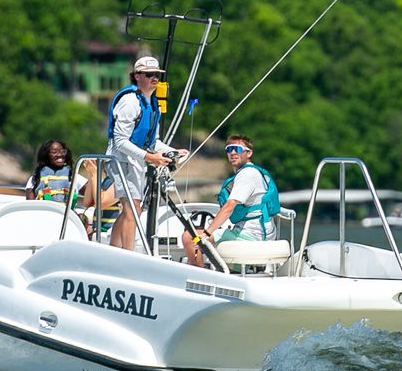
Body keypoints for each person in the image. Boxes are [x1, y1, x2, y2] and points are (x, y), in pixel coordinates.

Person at [105, 55, 186, 252]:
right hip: (121, 161)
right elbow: (120, 141)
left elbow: (153, 141)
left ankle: (113, 250)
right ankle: (127, 255)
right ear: (137, 76)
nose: (154, 78)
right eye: (149, 75)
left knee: (131, 211)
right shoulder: (130, 102)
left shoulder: (152, 103)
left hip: (136, 161)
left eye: (157, 75)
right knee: (133, 210)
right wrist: (150, 157)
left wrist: (171, 151)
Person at [181, 134, 281, 266]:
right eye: (229, 149)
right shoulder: (249, 173)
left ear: (249, 153)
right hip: (255, 230)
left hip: (253, 234)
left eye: (237, 149)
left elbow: (229, 206)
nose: (233, 153)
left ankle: (197, 275)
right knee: (201, 237)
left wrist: (206, 233)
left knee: (190, 237)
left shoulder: (247, 174)